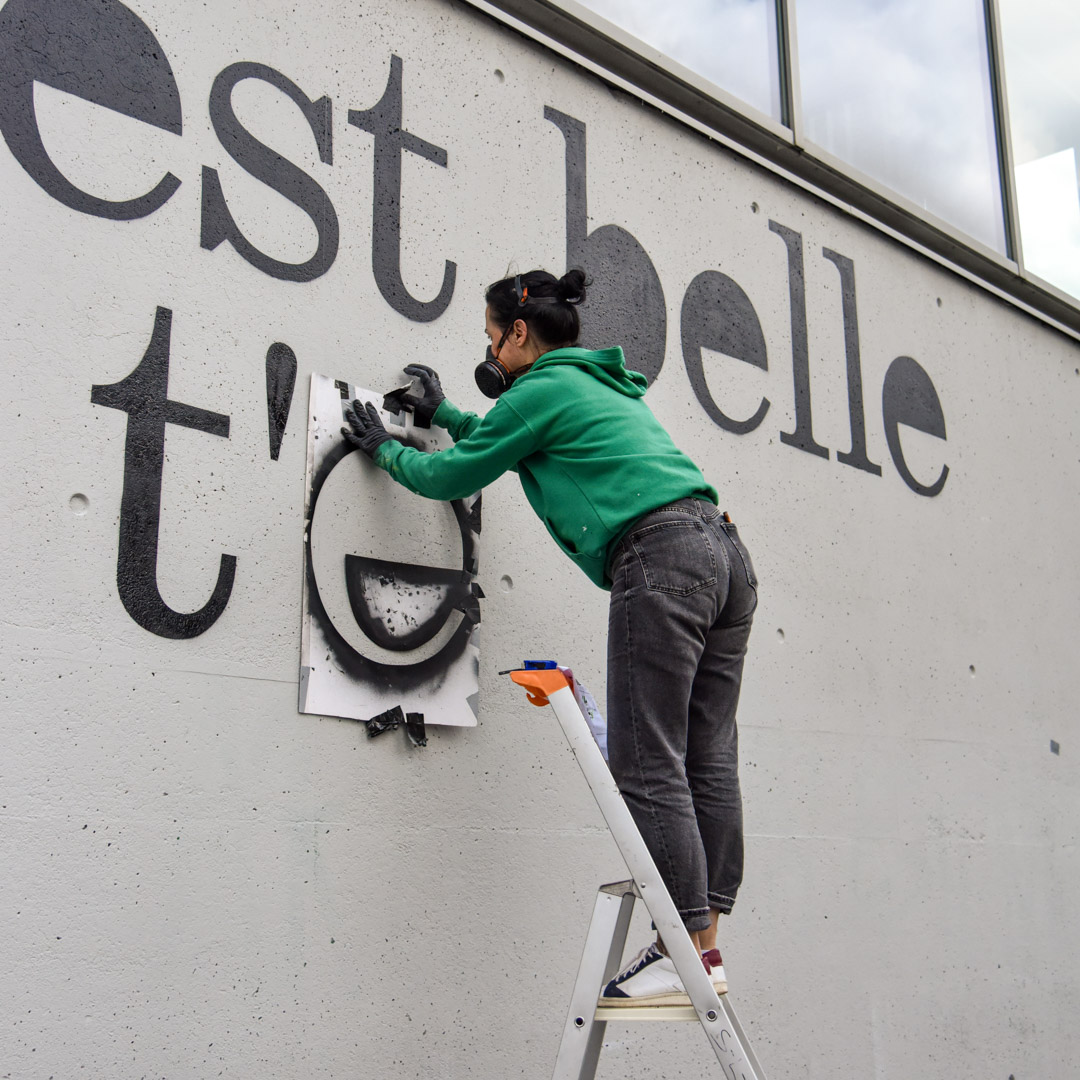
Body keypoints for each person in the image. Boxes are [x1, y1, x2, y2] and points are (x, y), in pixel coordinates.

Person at [342, 268, 758, 1006]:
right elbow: (515, 439)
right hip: (723, 555)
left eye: (490, 339)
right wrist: (448, 412)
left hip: (661, 559)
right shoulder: (590, 385)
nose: (490, 352)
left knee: (647, 759)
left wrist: (383, 448)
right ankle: (706, 947)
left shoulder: (539, 392)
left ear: (518, 333)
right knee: (706, 756)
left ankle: (678, 951)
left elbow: (447, 478)